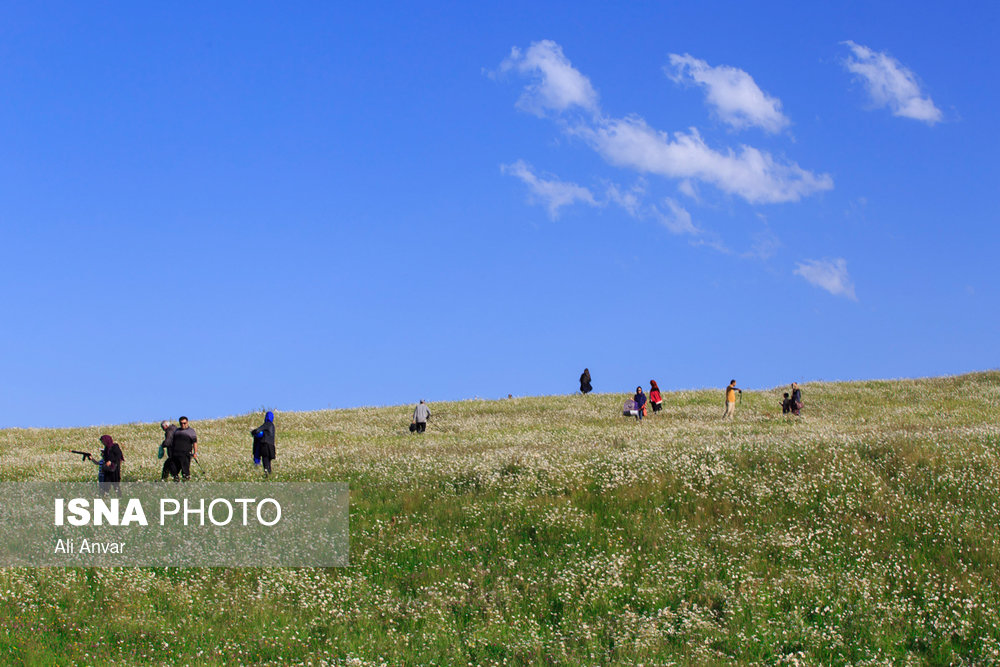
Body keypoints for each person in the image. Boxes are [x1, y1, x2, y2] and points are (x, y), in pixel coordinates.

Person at [170, 416, 198, 481]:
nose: (183, 425)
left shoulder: (191, 431)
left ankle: (186, 484)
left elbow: (195, 443)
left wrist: (195, 453)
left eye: (184, 423)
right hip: (175, 454)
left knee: (185, 471)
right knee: (173, 469)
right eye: (181, 423)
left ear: (187, 422)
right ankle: (176, 482)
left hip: (185, 454)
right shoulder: (176, 431)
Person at [251, 411, 276, 477]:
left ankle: (267, 475)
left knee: (265, 461)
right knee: (268, 462)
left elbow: (258, 430)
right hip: (271, 447)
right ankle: (269, 474)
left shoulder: (267, 424)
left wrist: (253, 432)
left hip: (265, 446)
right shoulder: (272, 426)